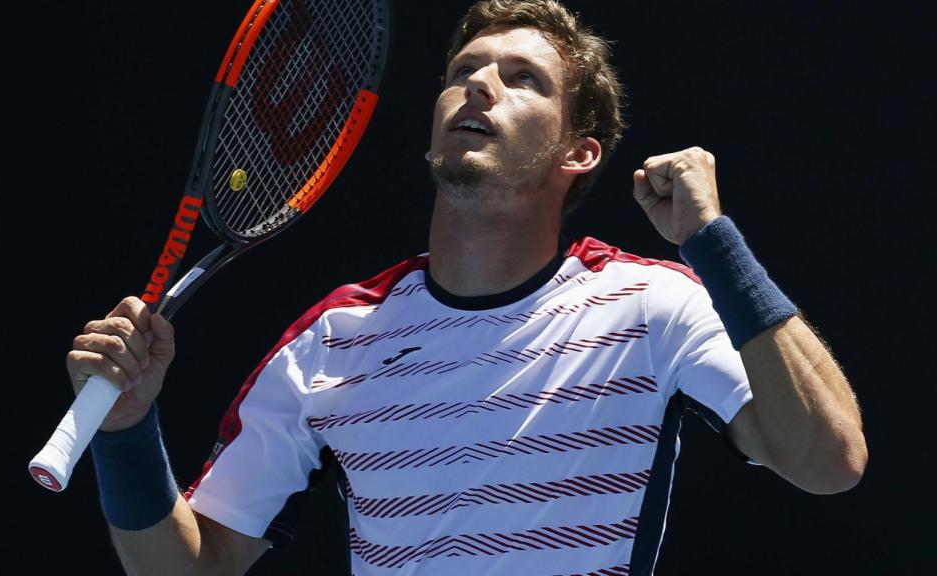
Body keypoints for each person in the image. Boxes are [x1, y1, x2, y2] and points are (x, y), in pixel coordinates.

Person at [66, 1, 867, 574]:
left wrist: (713, 244)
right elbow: (192, 568)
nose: (479, 86)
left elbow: (828, 460)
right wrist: (128, 433)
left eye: (522, 79)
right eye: (464, 71)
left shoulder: (655, 306)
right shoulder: (333, 341)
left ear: (579, 153)